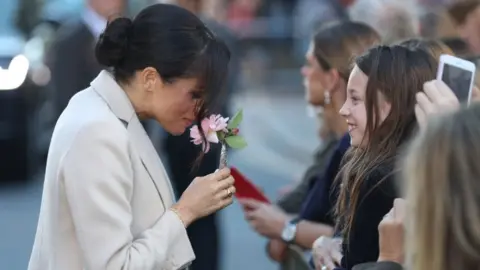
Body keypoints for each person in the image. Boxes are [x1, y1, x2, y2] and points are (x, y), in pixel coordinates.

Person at [28, 4, 235, 270]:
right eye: (194, 94)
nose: (200, 110)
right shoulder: (97, 131)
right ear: (150, 78)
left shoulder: (112, 113)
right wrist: (186, 210)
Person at [239, 21, 380, 269]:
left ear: (331, 78)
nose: (303, 73)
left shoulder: (352, 150)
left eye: (310, 65)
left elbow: (351, 237)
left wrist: (286, 228)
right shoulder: (331, 145)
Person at [314, 45, 437, 270]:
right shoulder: (424, 171)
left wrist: (322, 264)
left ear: (392, 106)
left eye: (355, 99)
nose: (343, 109)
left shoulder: (377, 179)